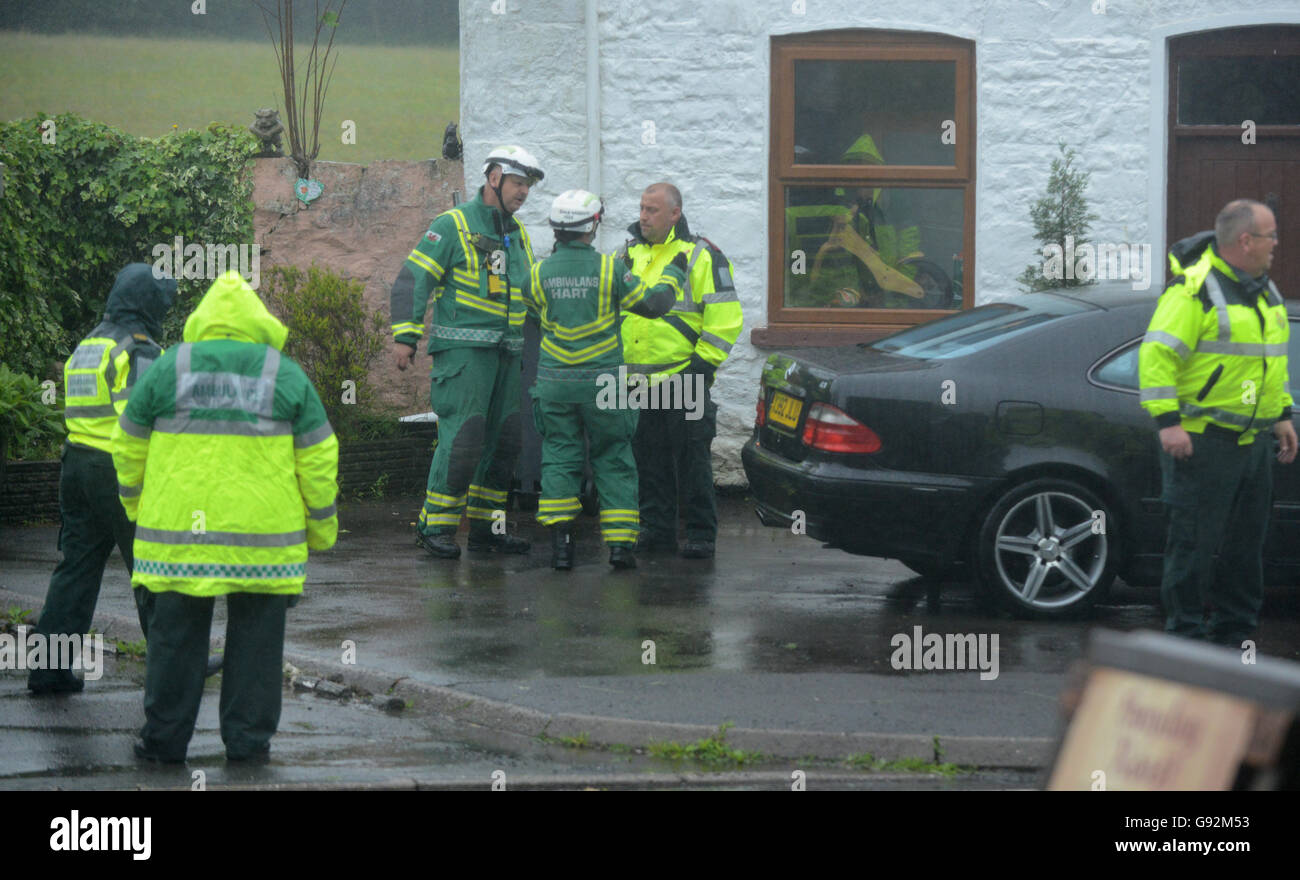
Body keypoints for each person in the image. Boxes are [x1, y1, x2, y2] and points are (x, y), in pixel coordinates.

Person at [112, 270, 338, 763]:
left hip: (178, 540)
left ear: (204, 320)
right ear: (258, 323)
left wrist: (135, 503)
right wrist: (320, 529)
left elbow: (126, 440)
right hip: (263, 543)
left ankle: (164, 742)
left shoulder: (170, 367)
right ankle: (248, 745)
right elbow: (319, 456)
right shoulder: (284, 374)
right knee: (257, 646)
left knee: (175, 642)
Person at [1139, 198, 1295, 647]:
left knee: (1246, 550)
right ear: (1246, 241)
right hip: (1204, 444)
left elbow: (1270, 364)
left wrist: (1281, 414)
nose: (1276, 245)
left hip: (1252, 444)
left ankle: (1233, 639)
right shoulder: (1195, 290)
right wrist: (1168, 422)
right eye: (1271, 236)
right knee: (1192, 547)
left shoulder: (1265, 292)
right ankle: (1185, 641)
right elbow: (1156, 356)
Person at [27, 264, 174, 695]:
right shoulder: (139, 349)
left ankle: (48, 670)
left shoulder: (88, 344)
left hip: (75, 466)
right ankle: (174, 667)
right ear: (148, 303)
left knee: (75, 570)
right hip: (119, 470)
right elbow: (145, 421)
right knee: (150, 564)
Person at [391, 145, 543, 559]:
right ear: (494, 177)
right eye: (517, 183)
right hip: (463, 355)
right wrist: (406, 337)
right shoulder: (452, 224)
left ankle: (486, 531)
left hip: (508, 354)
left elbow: (532, 290)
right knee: (464, 439)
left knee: (505, 442)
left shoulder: (518, 233)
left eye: (528, 186)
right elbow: (413, 278)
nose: (524, 192)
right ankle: (433, 529)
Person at [524, 189, 688, 570]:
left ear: (555, 228)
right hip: (605, 383)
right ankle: (619, 548)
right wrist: (675, 272)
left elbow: (535, 314)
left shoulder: (536, 274)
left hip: (555, 383)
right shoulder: (611, 269)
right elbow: (654, 305)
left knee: (560, 457)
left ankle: (562, 547)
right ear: (592, 226)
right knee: (613, 458)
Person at [620, 182, 743, 559]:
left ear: (675, 214)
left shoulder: (701, 254)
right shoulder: (627, 253)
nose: (643, 216)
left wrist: (701, 368)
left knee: (692, 459)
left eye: (652, 210)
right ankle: (656, 532)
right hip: (637, 378)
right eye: (642, 208)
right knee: (648, 460)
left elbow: (725, 318)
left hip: (684, 374)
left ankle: (701, 534)